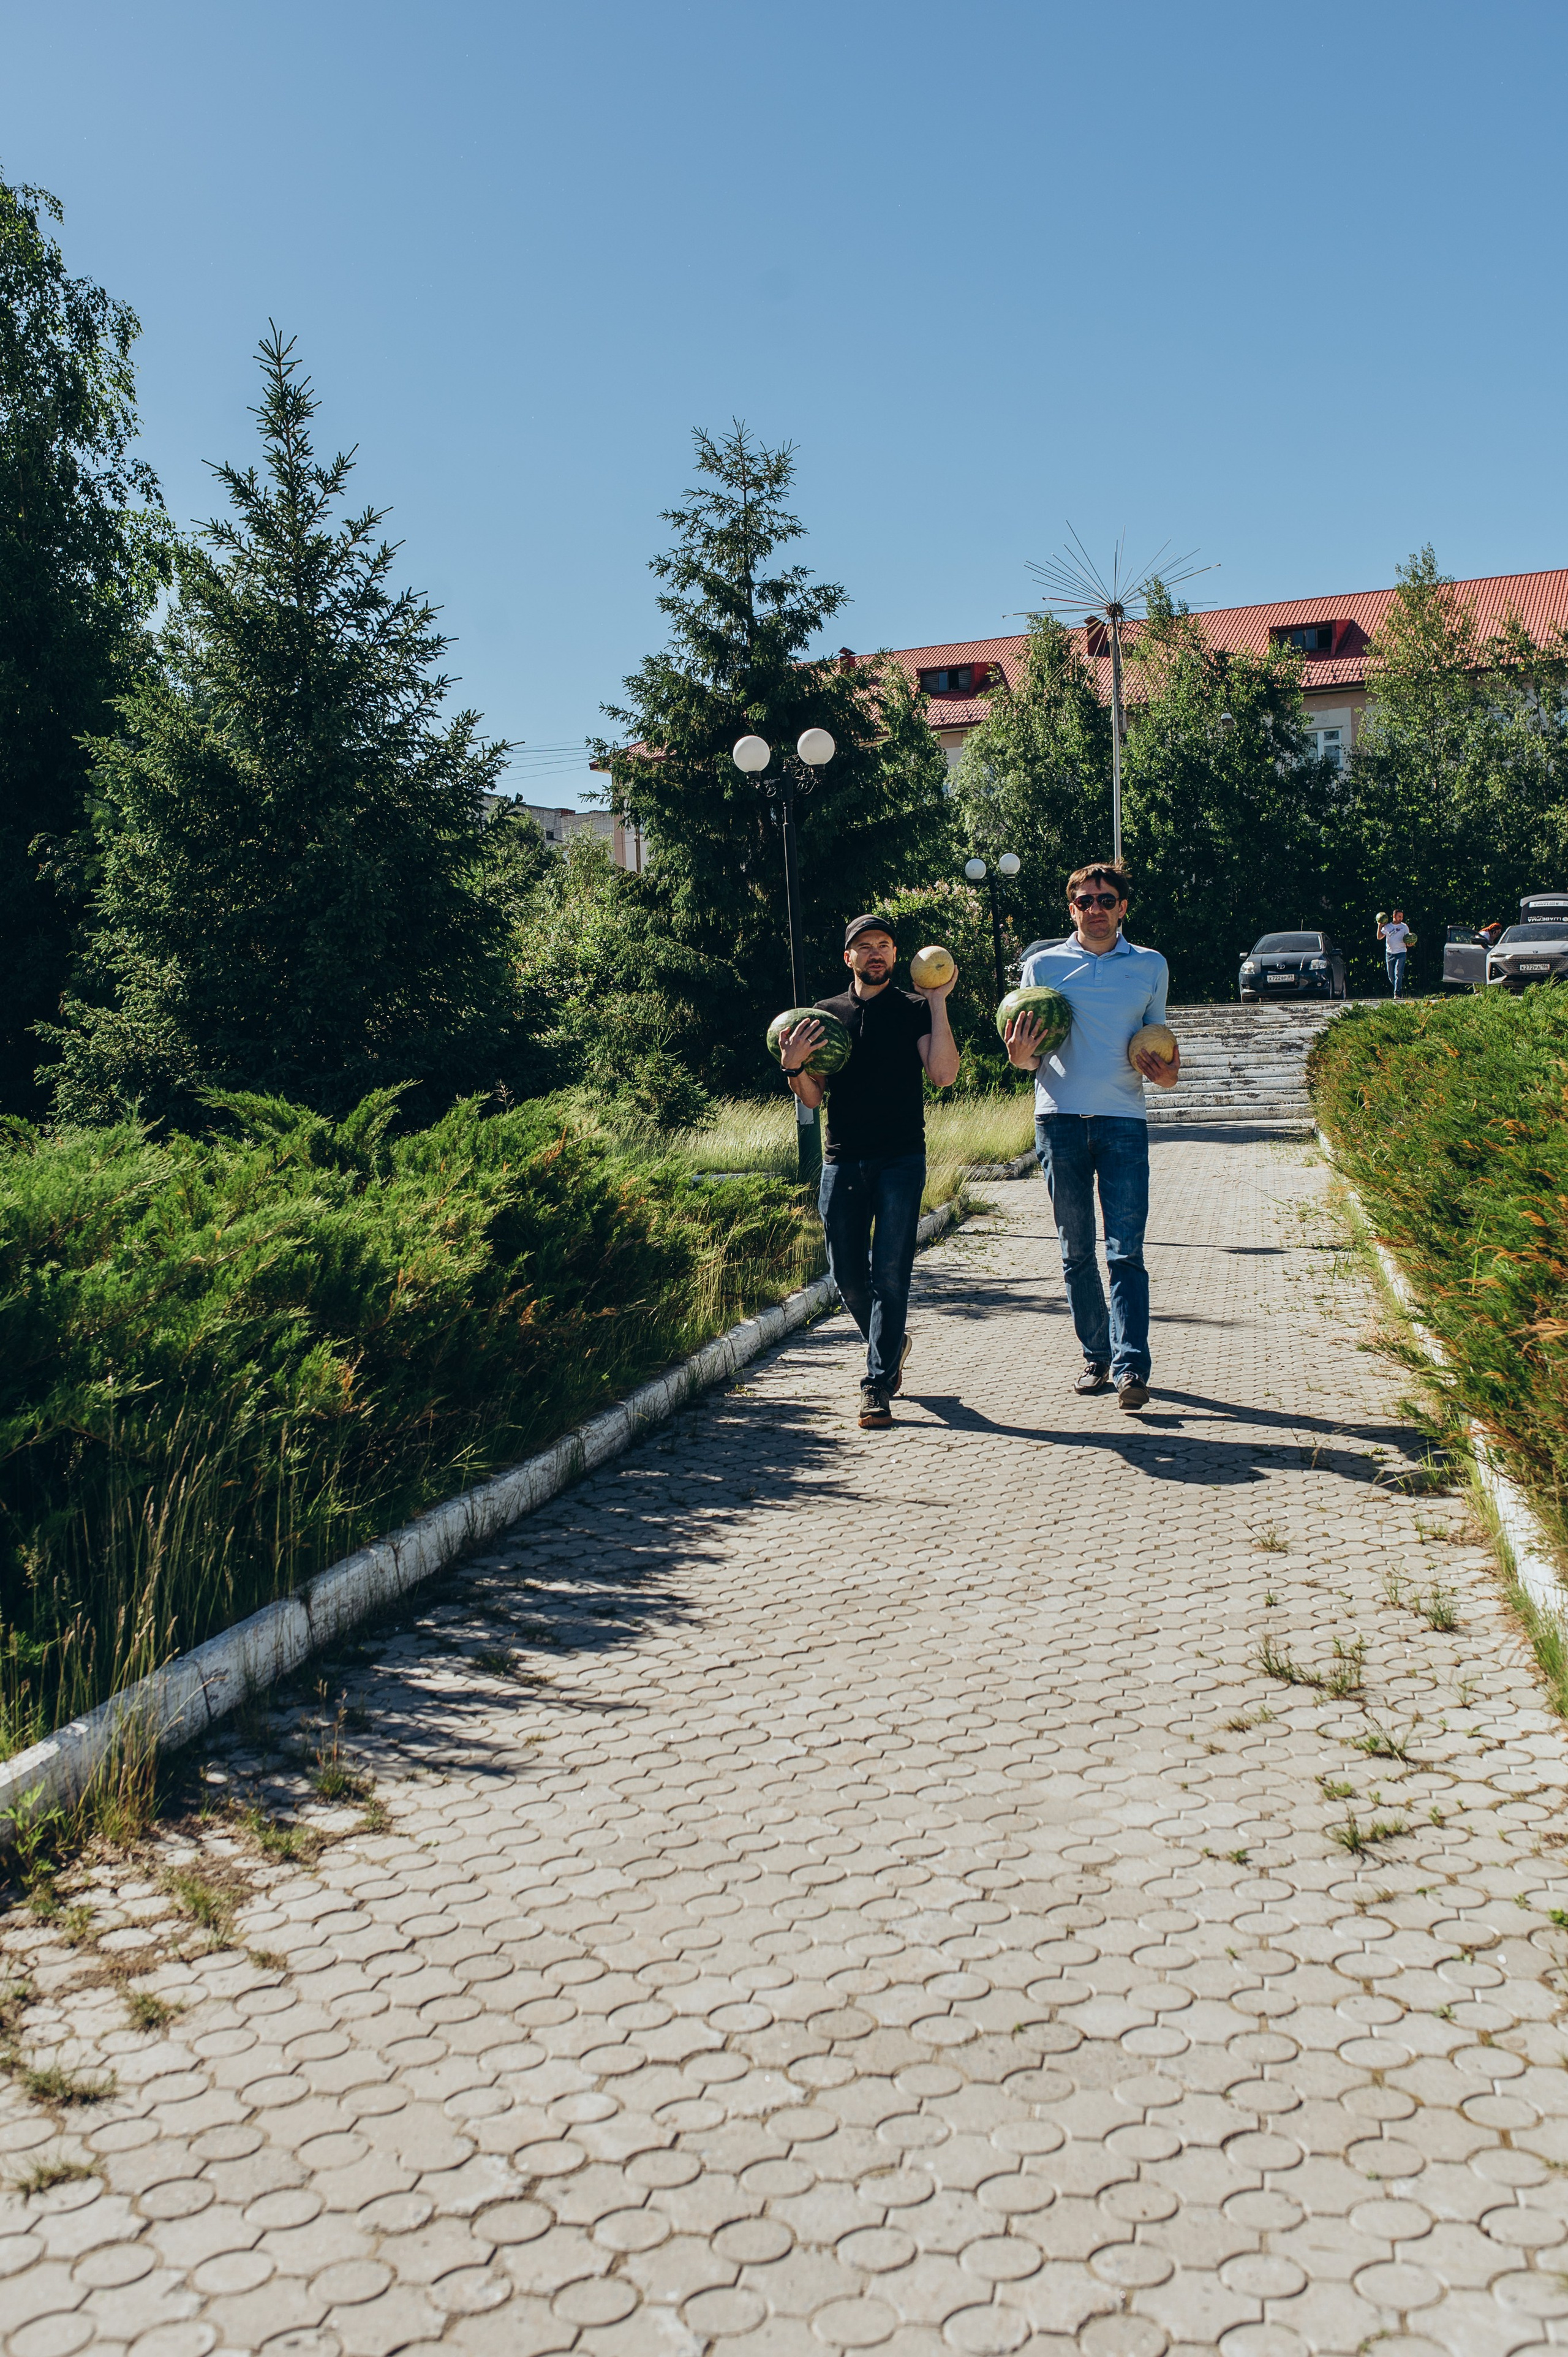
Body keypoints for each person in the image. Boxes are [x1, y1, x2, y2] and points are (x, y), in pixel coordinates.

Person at [1003, 861, 1179, 1411]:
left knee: (1125, 1252)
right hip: (1058, 1119)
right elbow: (1026, 1057)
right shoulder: (1042, 965)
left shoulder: (1150, 965)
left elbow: (1161, 1046)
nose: (1096, 909)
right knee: (1076, 1253)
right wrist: (1017, 1057)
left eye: (1106, 900)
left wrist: (1167, 1073)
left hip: (1124, 1120)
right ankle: (1096, 1357)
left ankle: (1132, 1369)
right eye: (1085, 901)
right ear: (1070, 908)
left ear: (1123, 907)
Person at [777, 916, 959, 1429]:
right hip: (843, 1158)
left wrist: (940, 1000)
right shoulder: (823, 1018)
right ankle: (892, 1343)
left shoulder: (915, 1009)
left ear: (896, 955)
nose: (875, 953)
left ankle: (876, 1383)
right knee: (848, 1276)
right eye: (864, 946)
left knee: (891, 1275)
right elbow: (812, 1096)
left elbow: (944, 1075)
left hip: (902, 1158)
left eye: (883, 945)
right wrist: (794, 1067)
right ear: (848, 958)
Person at [1378, 908, 1412, 998]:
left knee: (1398, 973)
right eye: (1399, 916)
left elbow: (1408, 940)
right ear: (1394, 916)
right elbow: (1379, 937)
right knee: (1391, 976)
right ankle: (1398, 988)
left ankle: (1397, 993)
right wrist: (1380, 926)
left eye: (1402, 917)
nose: (1401, 918)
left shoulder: (1404, 927)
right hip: (1390, 953)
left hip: (1401, 952)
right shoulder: (1388, 926)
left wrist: (1410, 943)